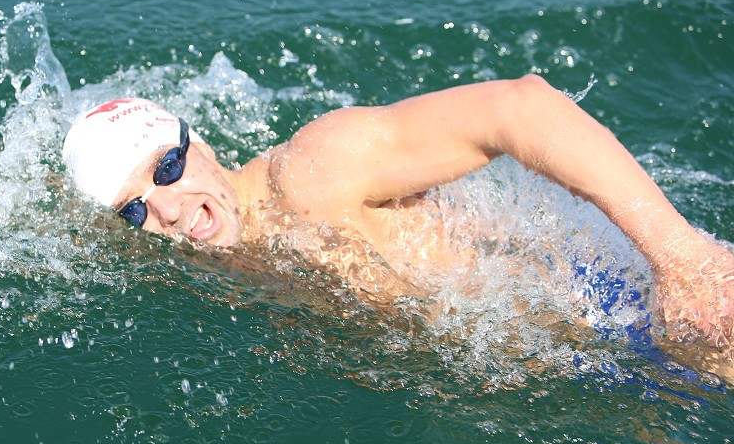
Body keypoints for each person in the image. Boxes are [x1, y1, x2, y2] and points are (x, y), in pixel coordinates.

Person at [61, 77, 733, 362]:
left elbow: (522, 108)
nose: (170, 210)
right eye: (136, 208)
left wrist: (683, 258)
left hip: (633, 308)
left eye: (169, 167)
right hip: (590, 362)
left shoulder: (312, 173)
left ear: (199, 145)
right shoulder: (214, 252)